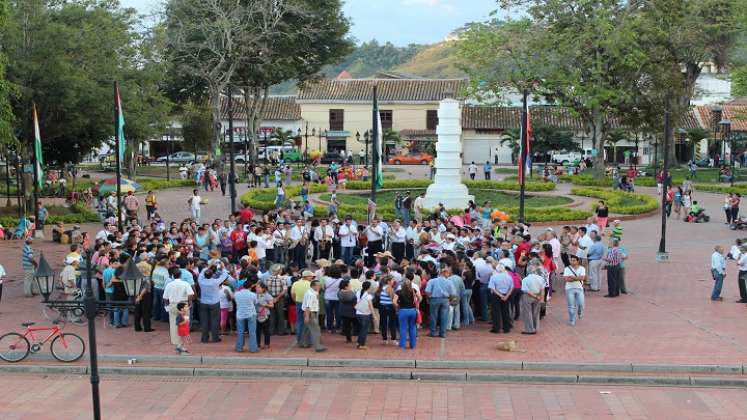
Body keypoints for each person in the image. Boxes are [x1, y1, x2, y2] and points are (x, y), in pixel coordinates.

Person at [162, 267, 194, 355]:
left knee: (173, 326)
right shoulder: (185, 283)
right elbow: (191, 294)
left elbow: (165, 298)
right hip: (183, 305)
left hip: (173, 305)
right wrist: (189, 301)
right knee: (185, 325)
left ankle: (177, 345)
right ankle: (181, 346)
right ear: (180, 275)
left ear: (172, 275)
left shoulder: (169, 284)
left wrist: (167, 306)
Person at [198, 264, 232, 343]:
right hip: (214, 303)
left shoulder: (201, 281)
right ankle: (215, 338)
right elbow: (225, 275)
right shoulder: (215, 281)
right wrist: (223, 267)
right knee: (215, 321)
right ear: (212, 275)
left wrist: (208, 266)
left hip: (204, 302)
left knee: (204, 321)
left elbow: (201, 273)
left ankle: (204, 338)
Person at [425, 265, 457, 338]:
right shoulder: (449, 282)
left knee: (433, 316)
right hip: (445, 300)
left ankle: (432, 332)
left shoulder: (432, 281)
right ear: (446, 273)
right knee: (444, 316)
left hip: (434, 299)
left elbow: (427, 291)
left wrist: (429, 297)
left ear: (439, 273)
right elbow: (453, 294)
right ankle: (443, 333)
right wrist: (450, 299)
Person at [300, 279, 326, 352]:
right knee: (316, 330)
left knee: (307, 329)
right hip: (311, 313)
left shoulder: (312, 292)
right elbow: (308, 306)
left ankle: (303, 343)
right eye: (318, 285)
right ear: (313, 286)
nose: (319, 287)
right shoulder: (311, 294)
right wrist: (307, 316)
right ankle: (318, 346)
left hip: (310, 312)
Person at [394, 277, 419, 349]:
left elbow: (394, 302)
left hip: (403, 310)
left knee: (403, 328)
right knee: (412, 327)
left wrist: (398, 306)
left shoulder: (399, 292)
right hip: (412, 310)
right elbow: (420, 298)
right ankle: (412, 345)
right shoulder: (413, 290)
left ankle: (402, 345)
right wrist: (416, 303)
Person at [234, 280, 259, 353]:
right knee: (252, 332)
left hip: (240, 314)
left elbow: (236, 301)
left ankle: (239, 348)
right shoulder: (253, 294)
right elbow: (256, 302)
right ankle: (253, 348)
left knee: (240, 331)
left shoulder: (236, 294)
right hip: (251, 313)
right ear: (251, 286)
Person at [520, 263, 545, 335]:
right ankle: (535, 327)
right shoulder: (541, 278)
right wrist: (541, 298)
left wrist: (535, 296)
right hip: (538, 295)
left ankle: (529, 329)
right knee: (536, 313)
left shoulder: (525, 279)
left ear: (528, 271)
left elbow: (526, 290)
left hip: (528, 296)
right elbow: (543, 290)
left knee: (527, 313)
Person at [488, 263, 513, 334]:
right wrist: (506, 296)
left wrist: (500, 295)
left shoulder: (494, 277)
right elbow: (511, 288)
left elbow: (492, 288)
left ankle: (496, 328)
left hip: (496, 296)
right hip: (506, 295)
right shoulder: (509, 277)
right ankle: (506, 328)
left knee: (496, 312)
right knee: (505, 311)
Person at [291, 270, 313, 344]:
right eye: (310, 276)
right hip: (308, 305)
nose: (312, 277)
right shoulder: (311, 284)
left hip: (299, 303)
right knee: (309, 322)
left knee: (300, 322)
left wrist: (296, 301)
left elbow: (293, 294)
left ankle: (299, 340)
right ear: (307, 277)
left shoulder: (296, 283)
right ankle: (308, 340)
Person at [563, 255, 586, 326]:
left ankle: (579, 312)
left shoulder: (582, 268)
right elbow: (566, 279)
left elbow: (582, 278)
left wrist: (572, 277)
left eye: (574, 260)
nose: (572, 262)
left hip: (579, 288)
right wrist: (577, 278)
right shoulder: (567, 269)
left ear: (577, 261)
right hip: (569, 289)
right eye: (571, 260)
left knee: (581, 304)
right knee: (571, 306)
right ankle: (572, 319)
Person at [355, 280, 374, 350]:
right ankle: (362, 344)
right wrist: (374, 315)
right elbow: (371, 306)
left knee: (361, 329)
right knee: (364, 330)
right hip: (365, 314)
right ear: (369, 287)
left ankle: (359, 342)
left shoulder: (358, 292)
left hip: (358, 312)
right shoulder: (369, 296)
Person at [338, 279, 358, 343]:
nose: (350, 285)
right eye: (349, 284)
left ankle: (348, 338)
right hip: (352, 310)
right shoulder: (351, 293)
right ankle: (359, 336)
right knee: (357, 324)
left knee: (347, 325)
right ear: (346, 286)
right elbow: (355, 299)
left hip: (343, 310)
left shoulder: (339, 292)